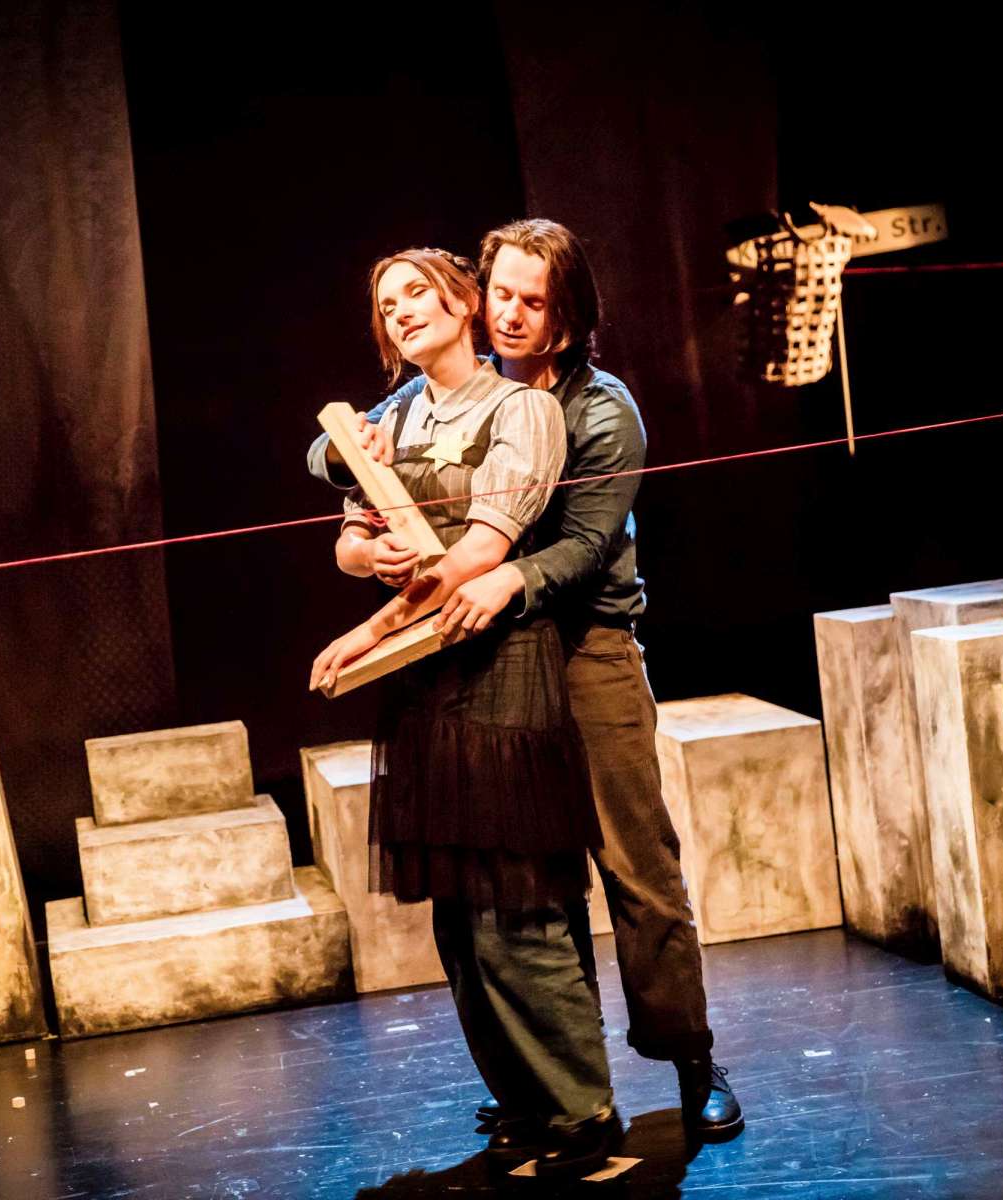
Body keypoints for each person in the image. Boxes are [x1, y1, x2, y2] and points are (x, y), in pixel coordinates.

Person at [309, 219, 743, 1140]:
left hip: (586, 647)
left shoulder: (599, 410)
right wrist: (355, 469)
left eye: (532, 301)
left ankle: (691, 1057)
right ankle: (564, 1087)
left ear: (568, 314)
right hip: (496, 654)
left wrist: (507, 576)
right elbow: (335, 451)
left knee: (635, 863)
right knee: (534, 877)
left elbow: (586, 544)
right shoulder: (461, 387)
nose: (510, 314)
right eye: (500, 293)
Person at [309, 247, 621, 1176]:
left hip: (498, 665)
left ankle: (583, 1113)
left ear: (461, 302)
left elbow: (485, 549)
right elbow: (351, 539)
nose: (402, 312)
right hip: (424, 679)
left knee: (515, 904)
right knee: (459, 913)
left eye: (417, 293)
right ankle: (526, 1102)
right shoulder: (392, 418)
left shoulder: (520, 410)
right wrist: (372, 562)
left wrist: (371, 630)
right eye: (386, 304)